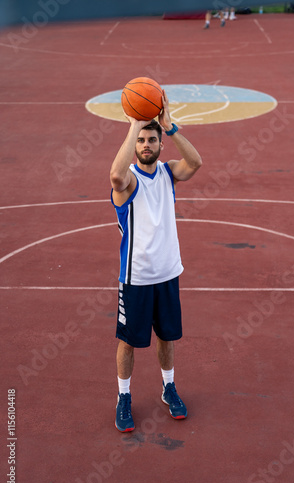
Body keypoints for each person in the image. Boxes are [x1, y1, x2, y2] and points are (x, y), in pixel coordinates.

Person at [110, 90, 202, 432]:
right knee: (129, 342)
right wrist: (133, 125)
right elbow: (116, 177)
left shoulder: (167, 173)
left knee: (167, 337)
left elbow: (195, 164)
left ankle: (169, 388)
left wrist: (170, 127)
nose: (147, 144)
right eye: (142, 140)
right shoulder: (129, 182)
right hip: (135, 278)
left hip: (167, 274)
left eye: (152, 140)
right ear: (135, 145)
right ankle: (124, 397)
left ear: (160, 145)